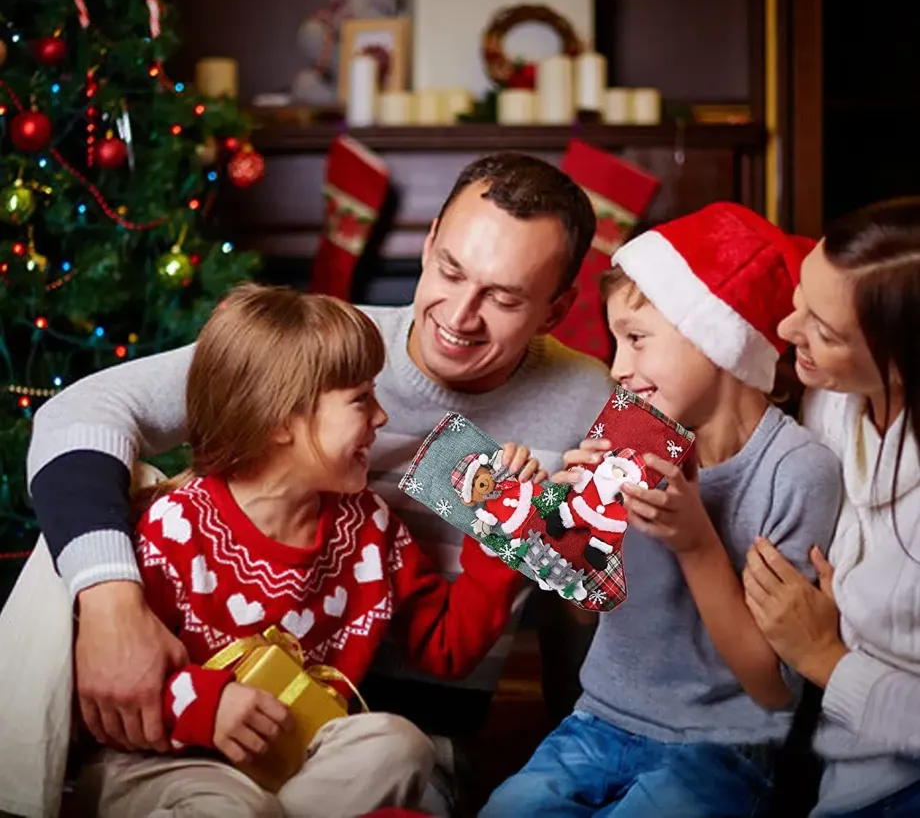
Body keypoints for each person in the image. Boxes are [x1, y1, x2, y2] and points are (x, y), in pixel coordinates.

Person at [13, 152, 611, 812]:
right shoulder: (322, 352)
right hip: (194, 744)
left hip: (390, 740)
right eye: (450, 270)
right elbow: (77, 414)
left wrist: (538, 544)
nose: (461, 316)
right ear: (431, 238)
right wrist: (109, 602)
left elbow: (593, 608)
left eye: (503, 297)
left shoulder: (588, 402)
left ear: (557, 310)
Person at [75, 283, 531, 818]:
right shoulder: (175, 526)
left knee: (401, 745)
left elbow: (446, 647)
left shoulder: (368, 528)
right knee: (233, 807)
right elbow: (121, 687)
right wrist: (210, 705)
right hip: (165, 761)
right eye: (361, 399)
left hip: (294, 762)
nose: (382, 417)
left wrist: (502, 531)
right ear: (279, 422)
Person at [481, 201, 844, 818]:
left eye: (637, 340)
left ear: (717, 338)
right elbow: (583, 613)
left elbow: (771, 686)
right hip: (597, 723)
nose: (619, 369)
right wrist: (566, 525)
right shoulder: (635, 434)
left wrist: (696, 544)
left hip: (723, 747)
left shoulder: (797, 471)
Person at [742, 197, 920, 818]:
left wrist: (824, 656)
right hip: (835, 755)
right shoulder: (834, 402)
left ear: (903, 363)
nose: (789, 332)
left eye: (823, 330)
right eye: (799, 301)